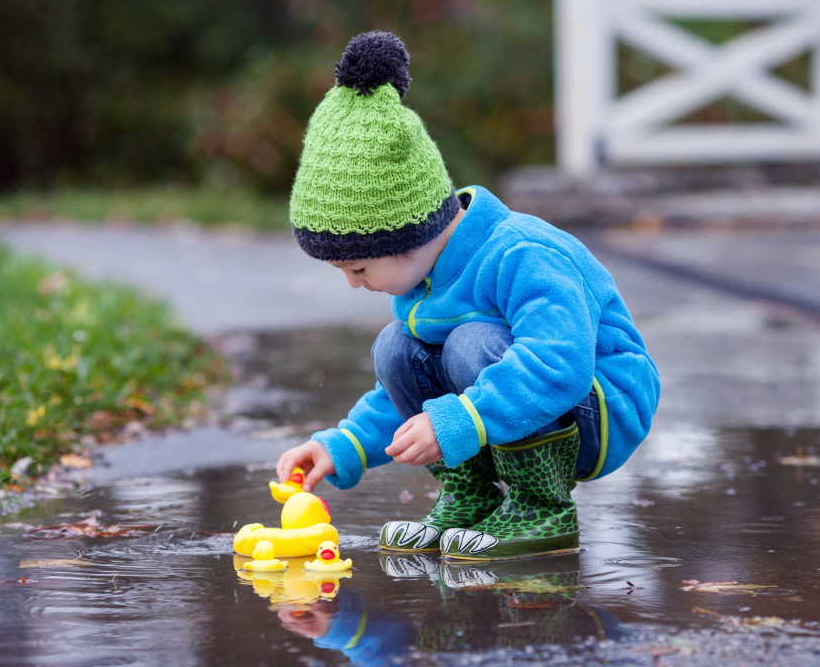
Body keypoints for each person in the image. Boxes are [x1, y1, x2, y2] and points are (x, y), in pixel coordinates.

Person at [277, 31, 660, 561]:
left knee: (469, 343)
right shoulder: (422, 277)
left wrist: (461, 420)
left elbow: (561, 361)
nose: (353, 282)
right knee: (397, 348)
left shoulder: (521, 253)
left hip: (599, 407)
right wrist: (344, 446)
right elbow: (406, 392)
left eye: (358, 267)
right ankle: (472, 496)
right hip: (513, 403)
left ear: (407, 235)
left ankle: (541, 506)